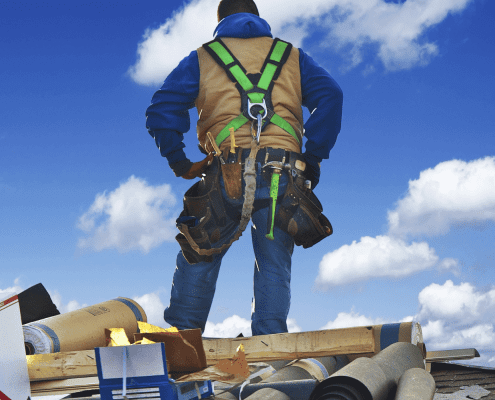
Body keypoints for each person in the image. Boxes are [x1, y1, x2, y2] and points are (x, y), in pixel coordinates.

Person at [146, 0, 343, 336]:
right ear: (257, 18)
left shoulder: (203, 57)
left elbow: (162, 107)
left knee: (200, 253)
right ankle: (270, 353)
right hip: (283, 176)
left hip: (226, 173)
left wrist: (180, 163)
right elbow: (331, 95)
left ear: (221, 20)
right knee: (273, 263)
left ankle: (182, 344)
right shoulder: (292, 56)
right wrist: (314, 157)